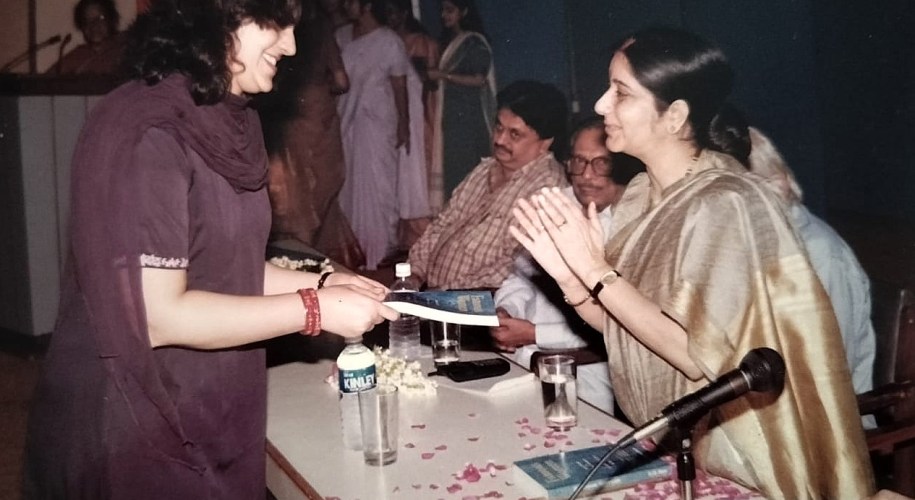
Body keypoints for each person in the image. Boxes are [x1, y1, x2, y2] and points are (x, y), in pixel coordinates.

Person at [22, 0, 398, 497]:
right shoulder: (149, 133)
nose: (290, 45)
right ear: (217, 15)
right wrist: (314, 308)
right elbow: (159, 316)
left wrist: (325, 281)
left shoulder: (224, 116)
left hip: (206, 398)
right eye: (277, 24)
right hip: (135, 418)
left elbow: (223, 265)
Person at [511, 27, 873, 497]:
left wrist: (596, 270)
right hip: (670, 444)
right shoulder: (641, 193)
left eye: (620, 93)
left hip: (738, 456)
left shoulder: (726, 202)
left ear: (674, 115)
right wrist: (570, 278)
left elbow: (695, 355)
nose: (601, 106)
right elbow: (627, 329)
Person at [491, 117, 644, 414]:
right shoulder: (554, 204)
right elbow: (520, 277)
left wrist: (535, 334)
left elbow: (619, 326)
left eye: (601, 164)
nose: (587, 175)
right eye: (579, 162)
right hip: (520, 362)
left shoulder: (633, 225)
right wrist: (507, 312)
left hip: (590, 378)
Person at [409, 80, 568, 291]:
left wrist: (445, 293)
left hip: (485, 303)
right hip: (437, 294)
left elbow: (513, 267)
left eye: (515, 134)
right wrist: (415, 274)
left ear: (545, 143)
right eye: (499, 127)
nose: (500, 140)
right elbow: (442, 224)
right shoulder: (485, 169)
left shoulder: (547, 189)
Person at [260, 0, 366, 270]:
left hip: (285, 117)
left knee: (294, 193)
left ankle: (299, 260)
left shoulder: (278, 31)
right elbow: (342, 81)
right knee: (321, 187)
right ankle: (313, 260)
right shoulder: (320, 28)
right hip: (318, 115)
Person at [336, 0, 430, 270]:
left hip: (378, 125)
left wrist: (403, 125)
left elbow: (400, 87)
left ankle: (379, 255)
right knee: (350, 189)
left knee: (381, 188)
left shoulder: (389, 41)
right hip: (349, 123)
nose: (346, 6)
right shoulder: (342, 36)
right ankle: (355, 255)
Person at [427, 0, 496, 206]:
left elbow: (479, 79)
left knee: (466, 172)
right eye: (442, 11)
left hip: (467, 120)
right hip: (451, 120)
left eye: (450, 10)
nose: (444, 16)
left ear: (464, 12)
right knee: (453, 174)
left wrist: (444, 76)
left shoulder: (473, 42)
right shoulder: (450, 42)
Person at [385, 0, 441, 240]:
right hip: (392, 111)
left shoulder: (422, 41)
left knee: (417, 167)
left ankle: (422, 232)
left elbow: (433, 82)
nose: (390, 17)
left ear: (404, 13)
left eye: (394, 12)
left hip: (418, 110)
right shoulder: (385, 41)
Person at [49, 0, 124, 75]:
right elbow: (46, 81)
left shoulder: (124, 48)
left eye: (100, 18)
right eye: (87, 20)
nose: (94, 25)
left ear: (111, 20)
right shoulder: (76, 56)